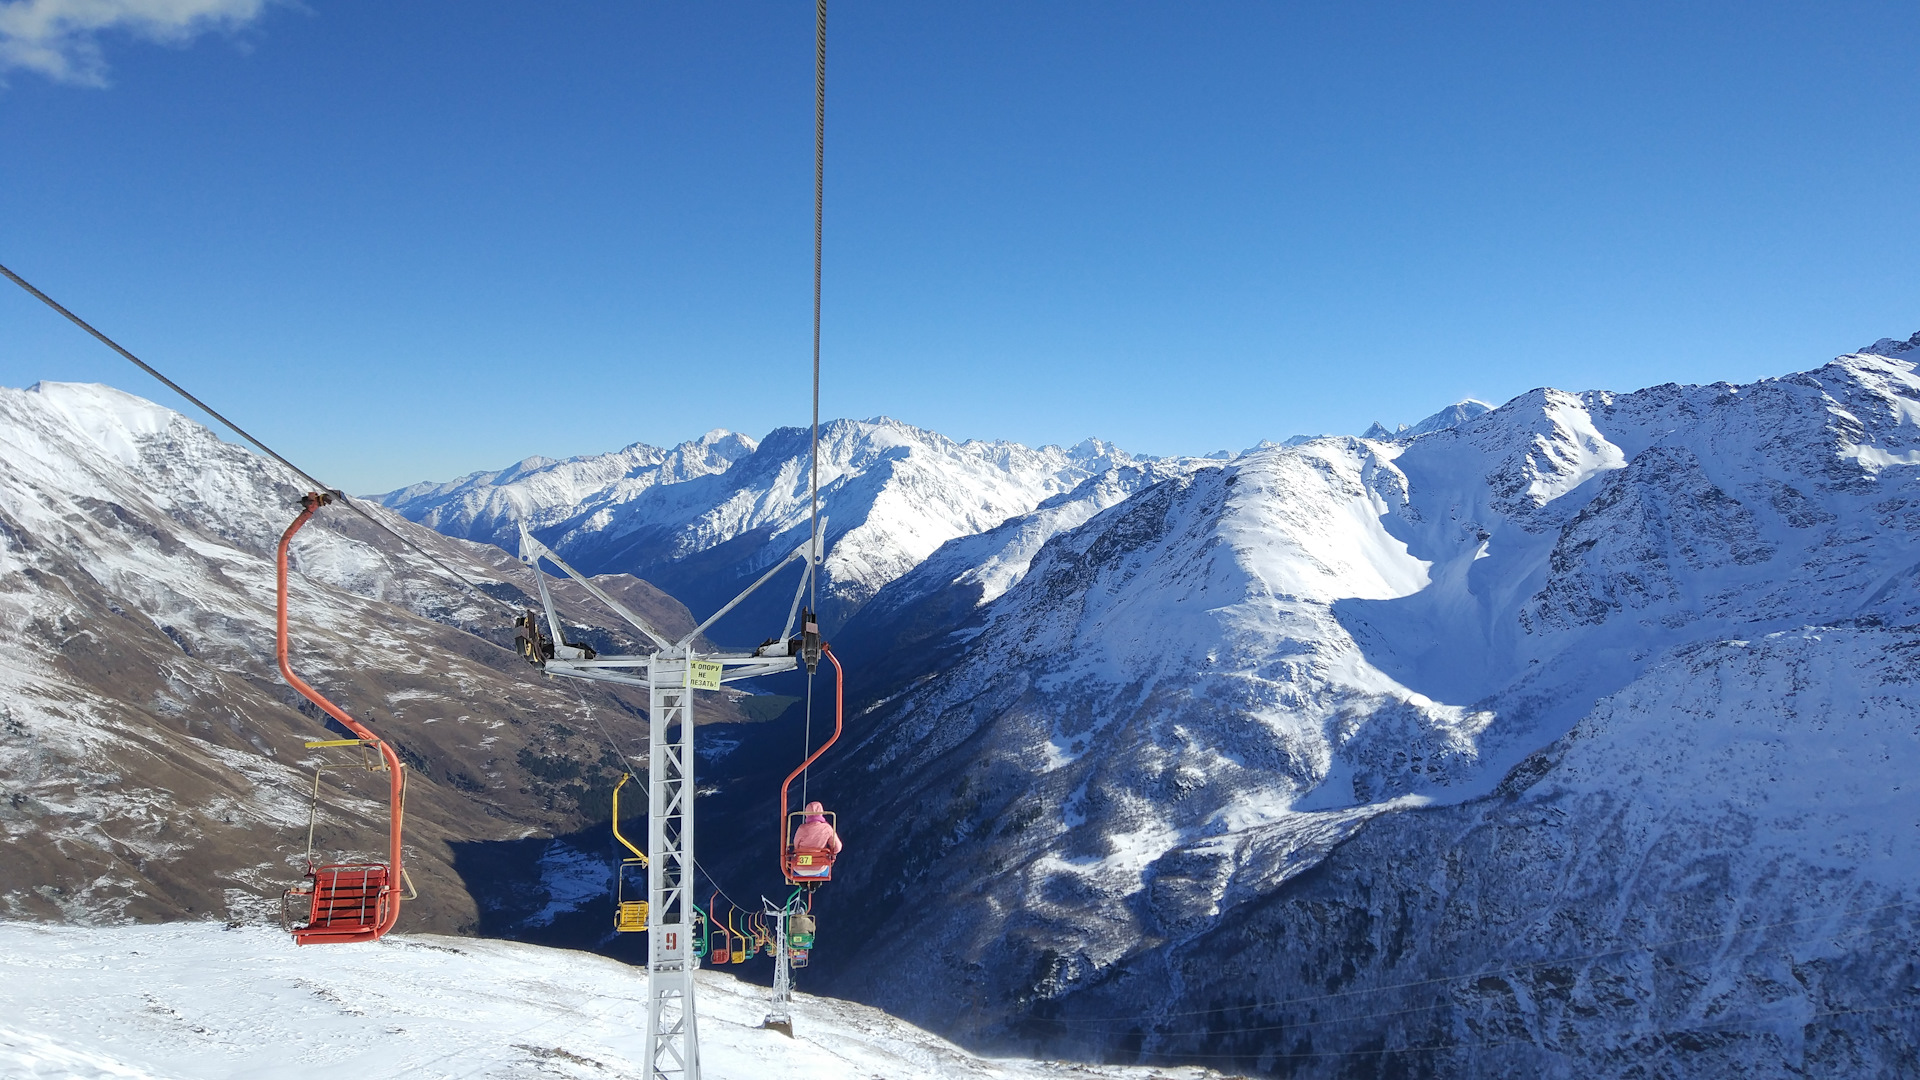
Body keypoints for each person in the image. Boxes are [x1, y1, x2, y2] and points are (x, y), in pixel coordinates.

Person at [789, 801, 842, 878]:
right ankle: (814, 883)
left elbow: (796, 845)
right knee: (823, 868)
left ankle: (804, 883)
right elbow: (837, 848)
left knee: (796, 867)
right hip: (819, 868)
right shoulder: (827, 828)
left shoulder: (801, 828)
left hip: (799, 868)